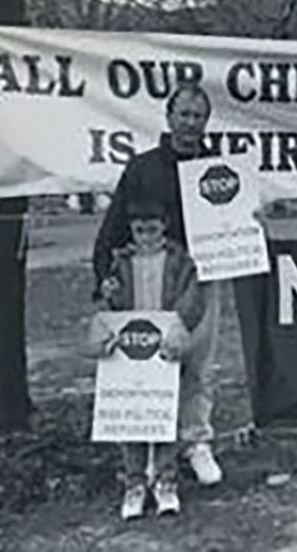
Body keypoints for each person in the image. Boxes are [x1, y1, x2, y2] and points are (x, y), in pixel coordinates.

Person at [93, 84, 225, 485]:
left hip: (201, 275)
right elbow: (115, 224)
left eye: (198, 116)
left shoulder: (220, 167)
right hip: (149, 276)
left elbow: (234, 221)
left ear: (206, 122)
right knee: (150, 360)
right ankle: (150, 448)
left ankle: (196, 442)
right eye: (183, 114)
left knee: (199, 363)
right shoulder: (142, 167)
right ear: (169, 118)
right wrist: (103, 276)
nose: (190, 123)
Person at [84, 197, 205, 519]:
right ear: (131, 231)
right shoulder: (119, 262)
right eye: (139, 231)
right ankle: (134, 482)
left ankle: (166, 480)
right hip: (131, 349)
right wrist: (108, 296)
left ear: (164, 226)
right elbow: (110, 307)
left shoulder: (182, 262)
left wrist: (179, 328)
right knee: (131, 415)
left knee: (165, 413)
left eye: (152, 230)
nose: (146, 237)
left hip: (165, 346)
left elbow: (192, 299)